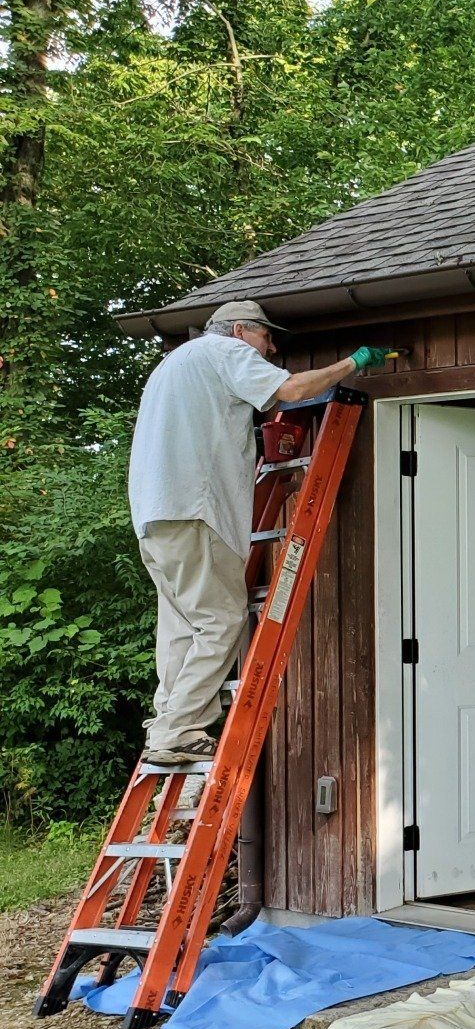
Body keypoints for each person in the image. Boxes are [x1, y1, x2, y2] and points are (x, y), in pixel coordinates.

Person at [127, 300, 384, 765]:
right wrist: (353, 361)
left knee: (182, 625)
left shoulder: (173, 364)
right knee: (222, 620)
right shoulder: (224, 351)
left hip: (155, 513)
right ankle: (176, 730)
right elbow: (292, 389)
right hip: (195, 510)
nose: (271, 347)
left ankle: (168, 719)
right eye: (267, 338)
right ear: (240, 329)